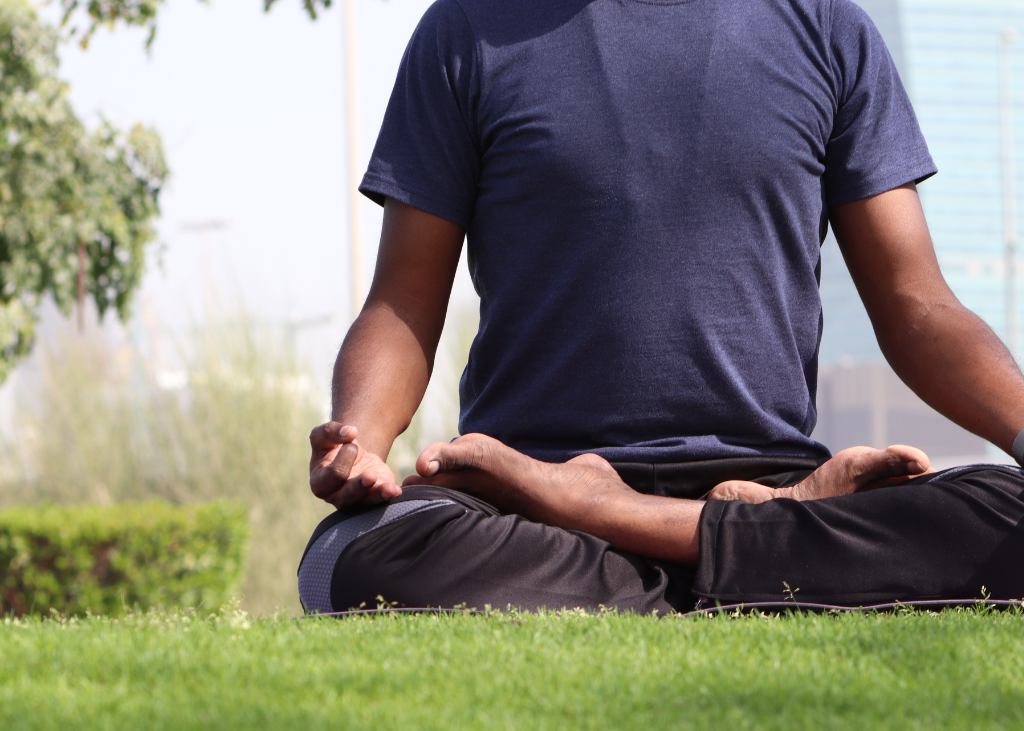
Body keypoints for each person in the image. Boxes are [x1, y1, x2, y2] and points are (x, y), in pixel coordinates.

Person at [298, 0, 1024, 615]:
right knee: (351, 554)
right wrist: (358, 439)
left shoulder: (827, 26)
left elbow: (919, 305)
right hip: (529, 489)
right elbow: (401, 303)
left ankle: (624, 525)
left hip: (760, 478)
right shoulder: (467, 30)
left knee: (1008, 514)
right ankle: (753, 562)